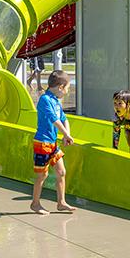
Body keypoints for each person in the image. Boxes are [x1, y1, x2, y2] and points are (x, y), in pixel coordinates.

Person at [30, 70, 76, 214]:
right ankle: (35, 203)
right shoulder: (45, 100)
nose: (67, 92)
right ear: (61, 87)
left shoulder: (56, 101)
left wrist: (66, 135)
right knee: (42, 175)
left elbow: (63, 118)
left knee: (61, 172)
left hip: (52, 144)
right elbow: (53, 119)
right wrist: (66, 135)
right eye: (67, 88)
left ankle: (61, 202)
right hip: (42, 143)